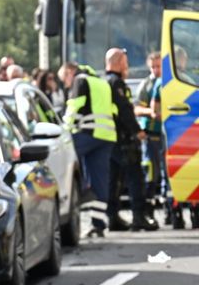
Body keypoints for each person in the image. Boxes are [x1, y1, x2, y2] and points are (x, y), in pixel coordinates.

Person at [59, 60, 118, 235]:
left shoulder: (80, 80)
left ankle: (83, 189)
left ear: (70, 72)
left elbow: (74, 106)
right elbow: (113, 109)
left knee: (63, 158)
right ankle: (98, 224)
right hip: (107, 136)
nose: (65, 84)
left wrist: (63, 131)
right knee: (100, 180)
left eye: (64, 79)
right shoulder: (101, 82)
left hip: (89, 133)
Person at [104, 47, 157, 230]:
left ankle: (111, 217)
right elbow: (125, 111)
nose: (127, 67)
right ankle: (138, 217)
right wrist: (138, 131)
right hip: (124, 139)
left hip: (111, 139)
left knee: (114, 181)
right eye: (125, 62)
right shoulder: (117, 83)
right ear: (118, 63)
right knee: (135, 179)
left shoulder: (105, 82)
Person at [135, 52, 165, 209]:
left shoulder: (169, 83)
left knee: (166, 172)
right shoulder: (145, 85)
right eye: (153, 67)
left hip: (168, 133)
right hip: (150, 133)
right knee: (150, 172)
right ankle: (149, 207)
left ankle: (169, 207)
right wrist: (151, 113)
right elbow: (136, 109)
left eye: (159, 66)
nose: (156, 70)